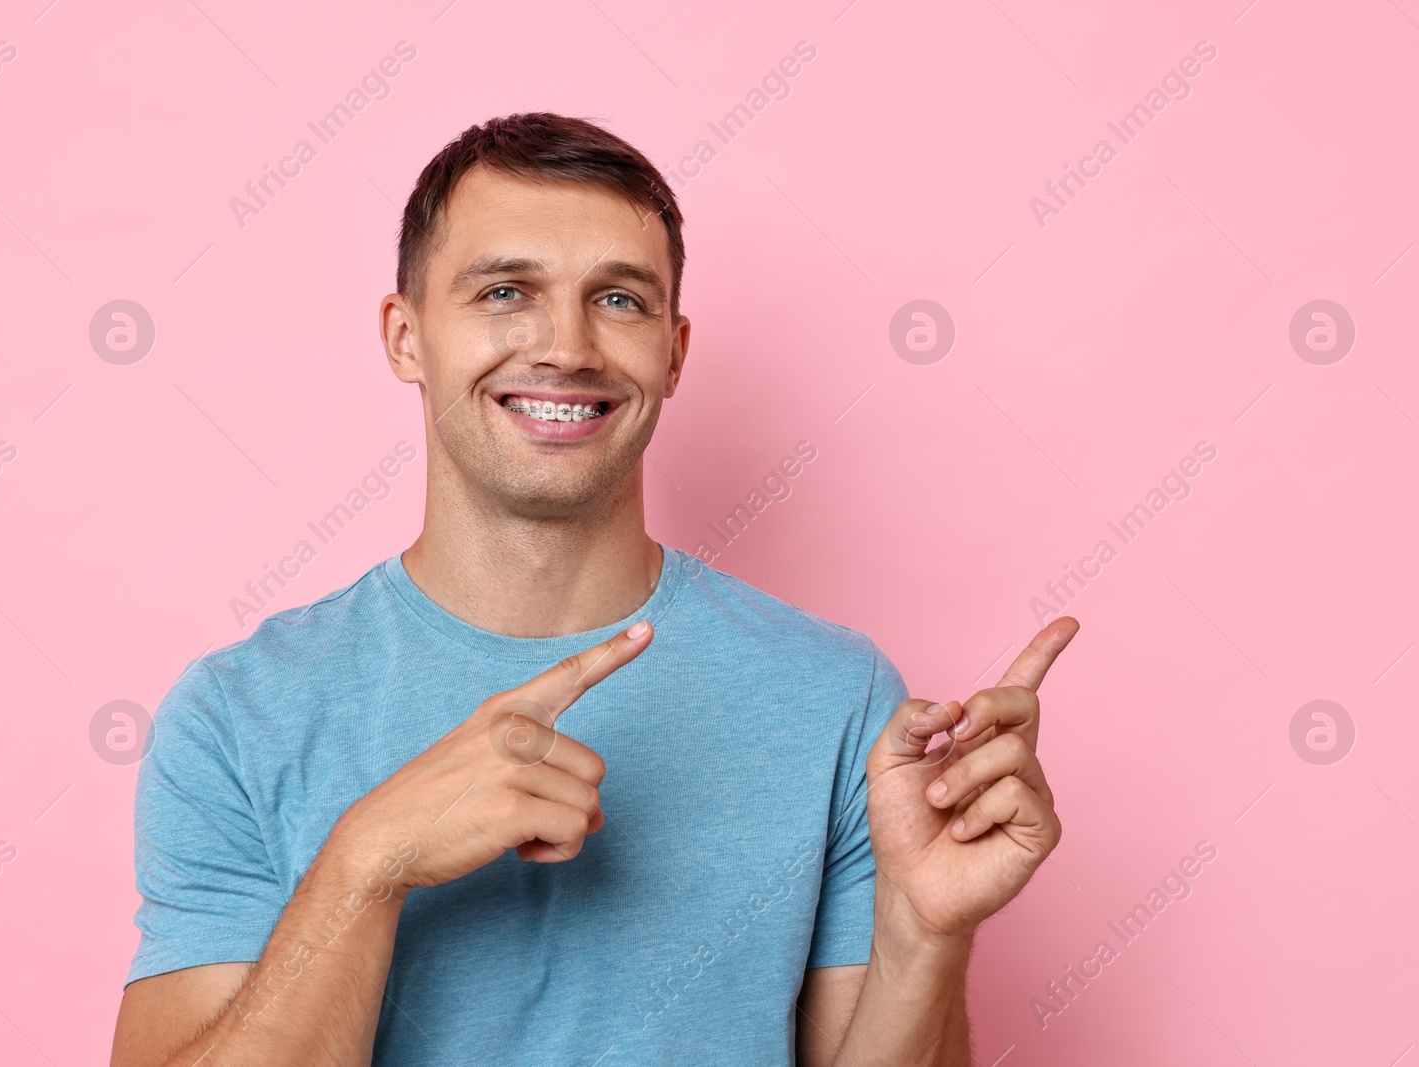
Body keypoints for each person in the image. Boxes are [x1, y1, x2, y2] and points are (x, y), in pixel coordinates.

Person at [109, 112, 1077, 1066]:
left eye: (618, 300)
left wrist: (925, 935)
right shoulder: (236, 714)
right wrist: (370, 861)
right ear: (406, 338)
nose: (565, 345)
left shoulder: (840, 696)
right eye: (503, 291)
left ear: (674, 351)